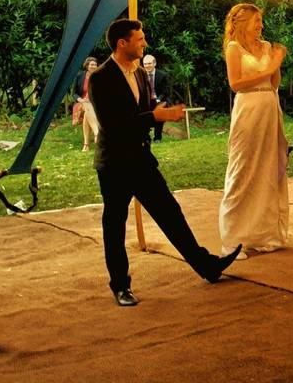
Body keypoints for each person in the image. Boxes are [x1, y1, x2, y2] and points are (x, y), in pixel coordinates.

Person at [89, 19, 242, 307]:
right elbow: (113, 125)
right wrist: (154, 118)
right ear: (122, 43)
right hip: (114, 164)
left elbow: (143, 112)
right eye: (139, 39)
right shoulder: (100, 77)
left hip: (141, 159)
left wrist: (163, 113)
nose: (144, 43)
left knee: (170, 212)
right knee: (115, 225)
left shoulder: (139, 74)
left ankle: (207, 266)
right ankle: (121, 286)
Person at [219, 4, 290, 261]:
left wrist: (275, 65)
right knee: (242, 170)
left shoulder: (267, 46)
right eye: (256, 20)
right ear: (242, 22)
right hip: (248, 109)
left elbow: (273, 83)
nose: (261, 25)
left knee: (268, 170)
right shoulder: (233, 48)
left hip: (269, 106)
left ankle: (263, 235)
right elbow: (236, 83)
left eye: (261, 20)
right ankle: (232, 240)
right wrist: (269, 67)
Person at [73, 57, 100, 152]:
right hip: (81, 103)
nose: (94, 66)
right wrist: (80, 99)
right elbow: (74, 93)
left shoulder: (99, 76)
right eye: (92, 64)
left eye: (95, 64)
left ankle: (86, 145)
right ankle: (97, 133)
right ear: (87, 65)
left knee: (86, 115)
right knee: (86, 104)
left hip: (95, 103)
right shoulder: (80, 76)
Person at [142, 54, 170, 142]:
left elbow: (165, 92)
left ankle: (157, 137)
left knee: (160, 110)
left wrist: (158, 99)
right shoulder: (140, 75)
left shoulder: (162, 75)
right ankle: (146, 137)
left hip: (159, 100)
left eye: (149, 63)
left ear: (154, 64)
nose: (147, 66)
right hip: (145, 101)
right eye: (145, 64)